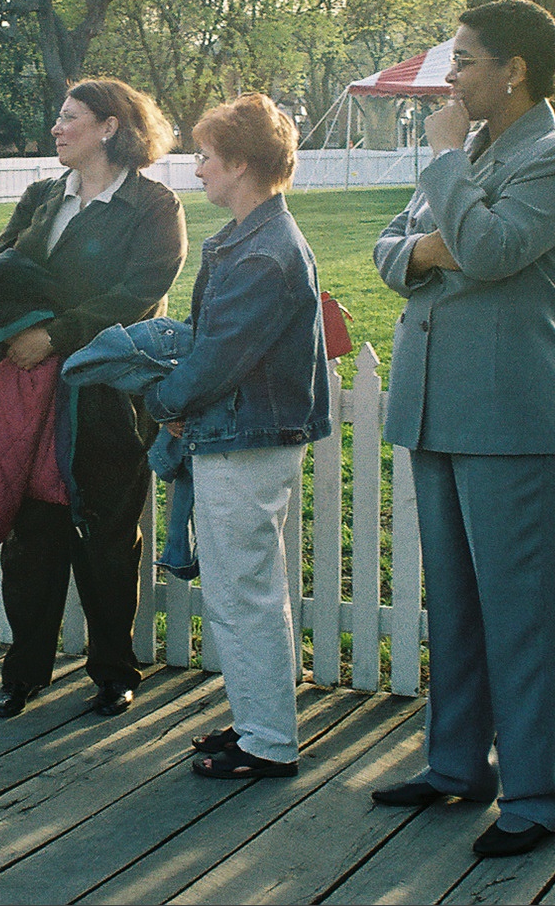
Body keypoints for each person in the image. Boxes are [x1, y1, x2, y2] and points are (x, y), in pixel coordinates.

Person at [370, 0, 555, 857]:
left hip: (515, 414)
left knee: (521, 616)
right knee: (456, 606)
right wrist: (436, 243)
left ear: (515, 71)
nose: (450, 76)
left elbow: (496, 251)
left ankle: (536, 797)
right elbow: (394, 251)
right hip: (439, 407)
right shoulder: (465, 156)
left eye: (464, 60)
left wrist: (445, 190)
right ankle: (457, 765)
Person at [139, 93, 331, 779]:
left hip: (245, 439)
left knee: (243, 589)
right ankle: (258, 722)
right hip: (242, 434)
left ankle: (269, 741)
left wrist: (162, 397)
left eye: (207, 157)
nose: (197, 169)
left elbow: (218, 357)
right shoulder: (255, 238)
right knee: (242, 586)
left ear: (242, 162)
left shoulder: (264, 254)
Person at [0, 77, 186, 720]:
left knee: (105, 535)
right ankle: (24, 671)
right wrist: (23, 332)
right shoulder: (43, 197)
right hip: (35, 392)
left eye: (69, 117)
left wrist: (58, 334)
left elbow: (139, 292)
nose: (56, 128)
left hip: (108, 393)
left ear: (109, 126)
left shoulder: (155, 206)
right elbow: (2, 270)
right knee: (30, 535)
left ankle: (113, 671)